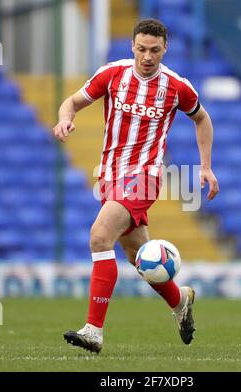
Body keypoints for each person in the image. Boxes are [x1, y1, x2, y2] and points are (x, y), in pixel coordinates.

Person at [53, 19, 219, 354]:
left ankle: (94, 331)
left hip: (145, 176)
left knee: (100, 236)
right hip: (110, 177)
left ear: (165, 49)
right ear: (132, 46)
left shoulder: (176, 87)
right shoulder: (112, 74)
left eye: (154, 50)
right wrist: (64, 118)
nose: (147, 56)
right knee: (137, 256)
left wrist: (205, 167)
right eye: (141, 49)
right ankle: (180, 301)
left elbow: (202, 118)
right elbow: (71, 102)